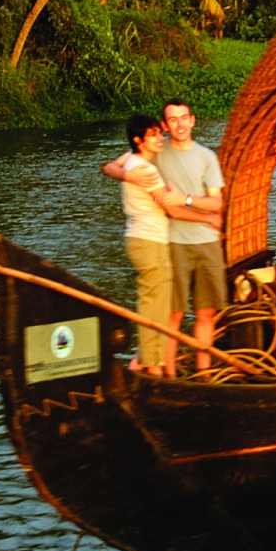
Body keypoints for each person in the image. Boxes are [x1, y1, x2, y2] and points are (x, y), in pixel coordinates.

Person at [103, 99, 227, 377]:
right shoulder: (154, 153)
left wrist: (186, 197)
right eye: (172, 120)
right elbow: (109, 166)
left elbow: (216, 204)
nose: (179, 124)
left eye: (184, 118)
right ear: (164, 126)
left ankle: (202, 374)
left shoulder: (206, 156)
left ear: (193, 120)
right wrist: (124, 174)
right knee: (171, 313)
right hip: (170, 242)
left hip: (205, 241)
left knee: (205, 312)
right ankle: (165, 374)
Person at [101, 113, 171, 377]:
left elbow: (109, 165)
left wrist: (120, 174)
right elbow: (168, 204)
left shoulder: (130, 160)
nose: (159, 138)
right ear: (139, 140)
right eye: (153, 134)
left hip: (141, 238)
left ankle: (143, 360)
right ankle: (152, 365)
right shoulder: (146, 169)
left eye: (158, 133)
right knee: (156, 303)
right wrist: (207, 213)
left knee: (154, 300)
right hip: (150, 239)